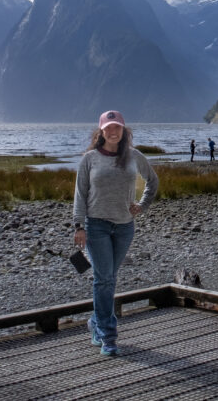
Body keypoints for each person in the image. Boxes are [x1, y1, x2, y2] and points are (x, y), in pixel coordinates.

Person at [73, 110, 158, 357]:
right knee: (104, 279)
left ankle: (95, 322)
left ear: (123, 131)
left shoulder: (134, 156)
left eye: (117, 127)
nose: (113, 131)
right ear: (101, 131)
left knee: (109, 277)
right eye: (108, 127)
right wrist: (78, 226)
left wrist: (141, 205)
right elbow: (80, 193)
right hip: (96, 225)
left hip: (124, 227)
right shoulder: (89, 159)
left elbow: (152, 181)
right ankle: (108, 335)